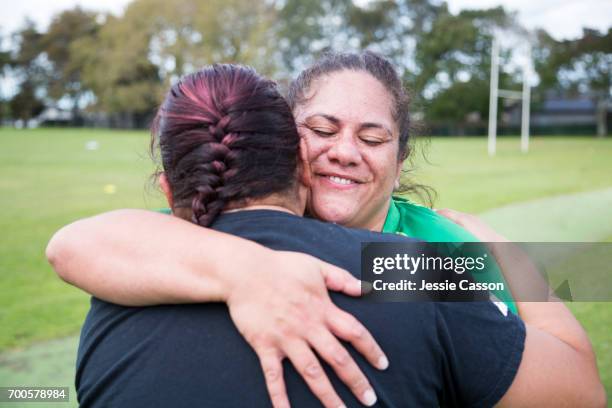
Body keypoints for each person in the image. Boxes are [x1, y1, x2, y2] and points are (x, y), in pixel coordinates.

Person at [49, 64, 604, 407]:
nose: (343, 150)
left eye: (372, 136)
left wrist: (507, 262)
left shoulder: (423, 261)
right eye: (321, 129)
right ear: (291, 148)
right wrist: (249, 271)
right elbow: (75, 244)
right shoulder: (150, 261)